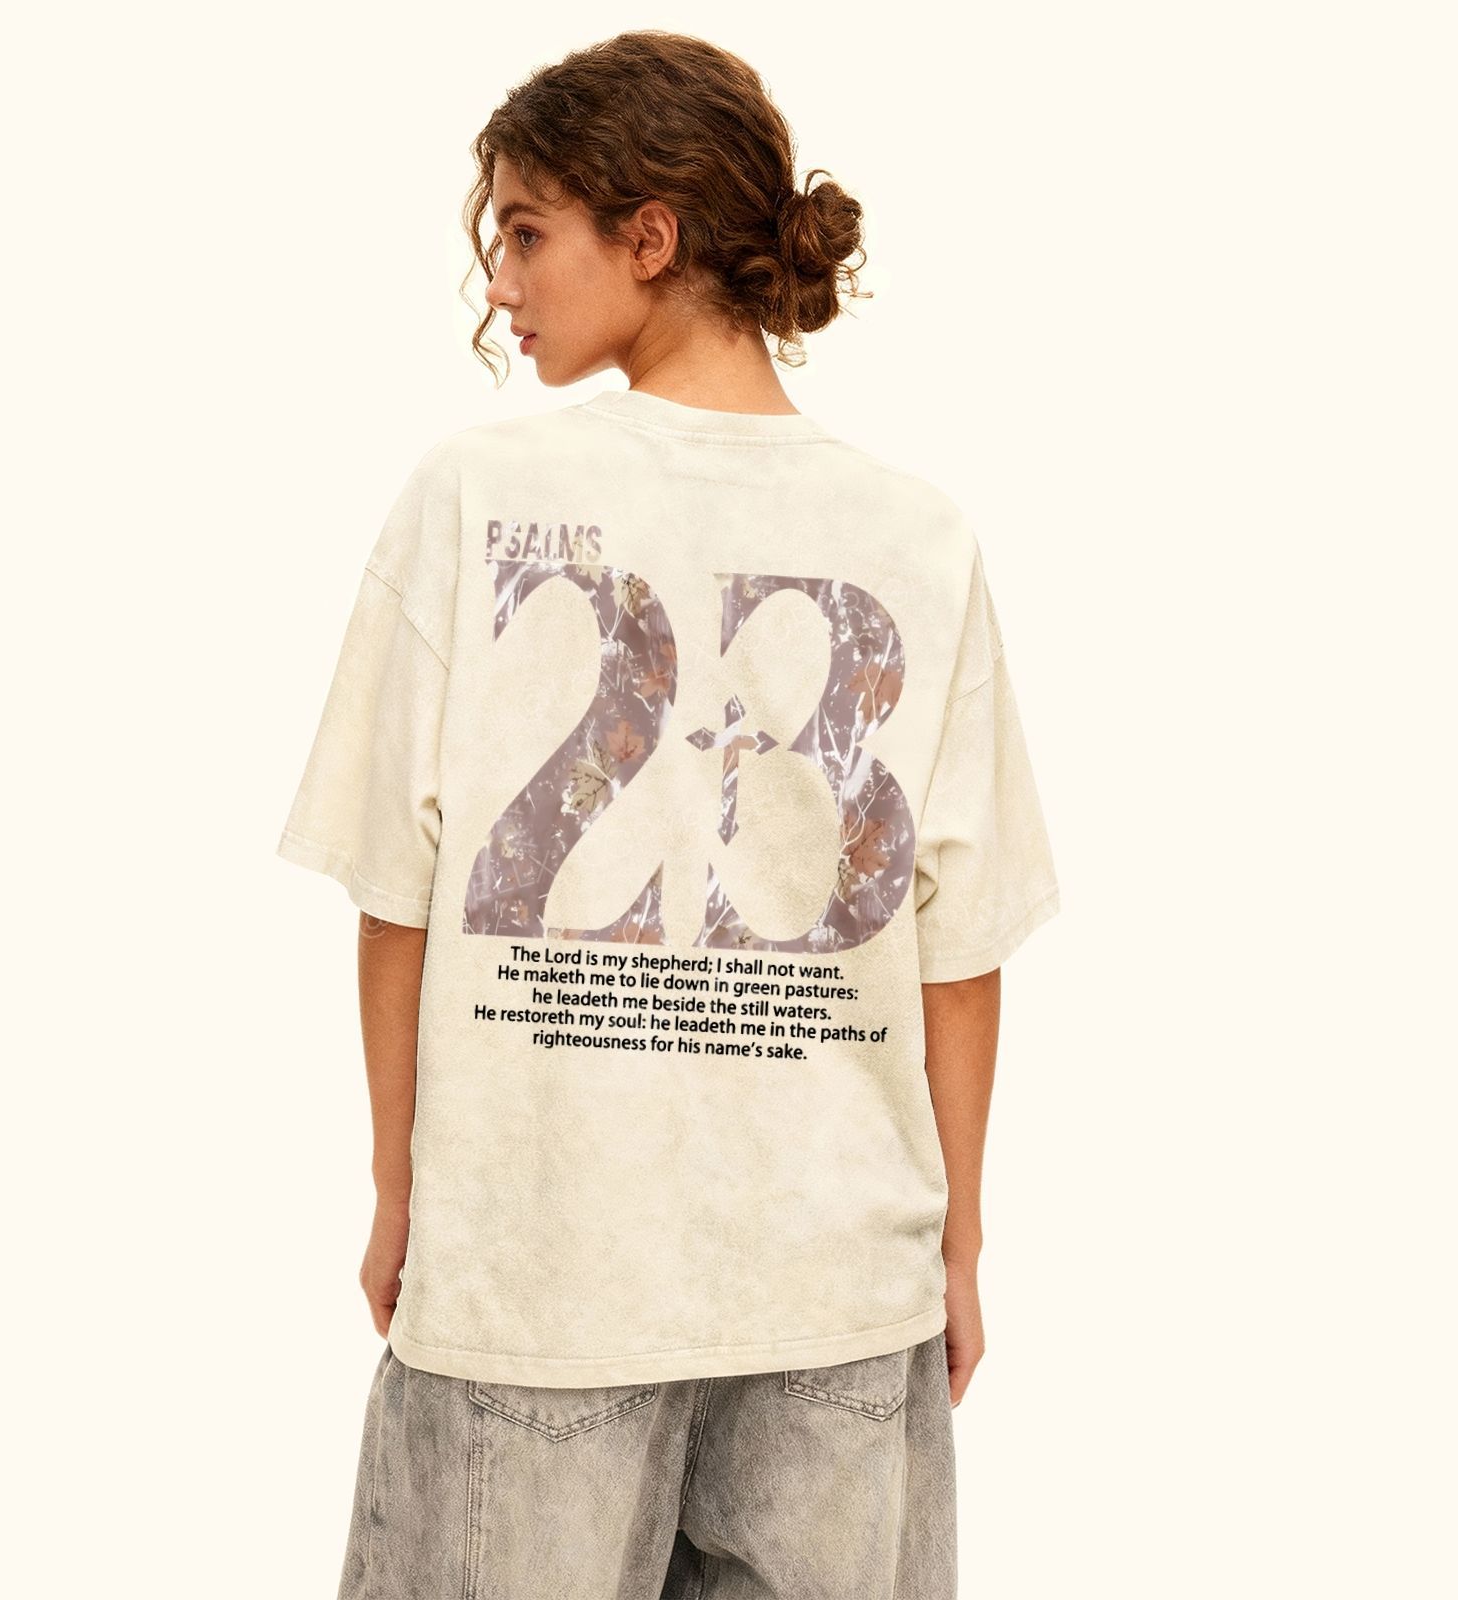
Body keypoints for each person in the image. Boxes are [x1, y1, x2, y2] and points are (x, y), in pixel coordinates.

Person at [276, 29, 1060, 1600]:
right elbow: (960, 948)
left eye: (525, 232)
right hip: (840, 1290)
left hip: (542, 1276)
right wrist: (957, 1248)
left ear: (650, 236)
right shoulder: (918, 535)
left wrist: (402, 1193)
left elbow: (397, 897)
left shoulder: (469, 498)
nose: (501, 282)